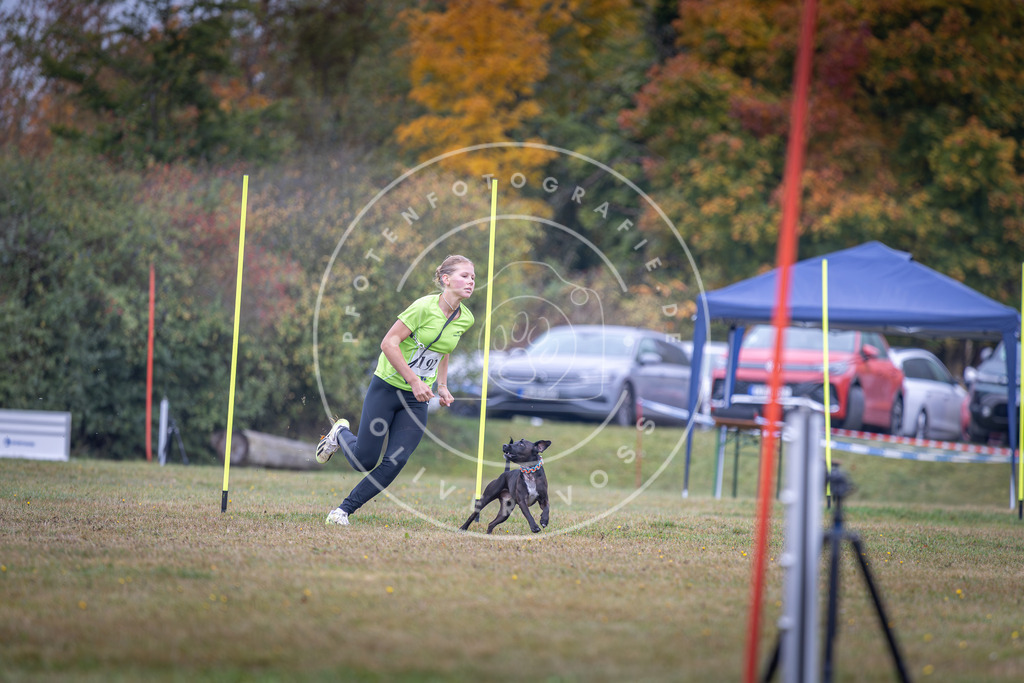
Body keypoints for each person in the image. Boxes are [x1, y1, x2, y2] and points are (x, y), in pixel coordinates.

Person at [317, 254, 476, 526]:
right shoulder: (422, 308)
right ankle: (340, 432)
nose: (471, 281)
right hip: (387, 388)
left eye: (473, 277)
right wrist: (415, 380)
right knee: (364, 461)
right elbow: (388, 343)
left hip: (416, 401)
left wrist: (442, 385)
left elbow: (443, 350)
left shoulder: (466, 318)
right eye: (464, 276)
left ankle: (342, 511)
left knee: (396, 460)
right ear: (445, 280)